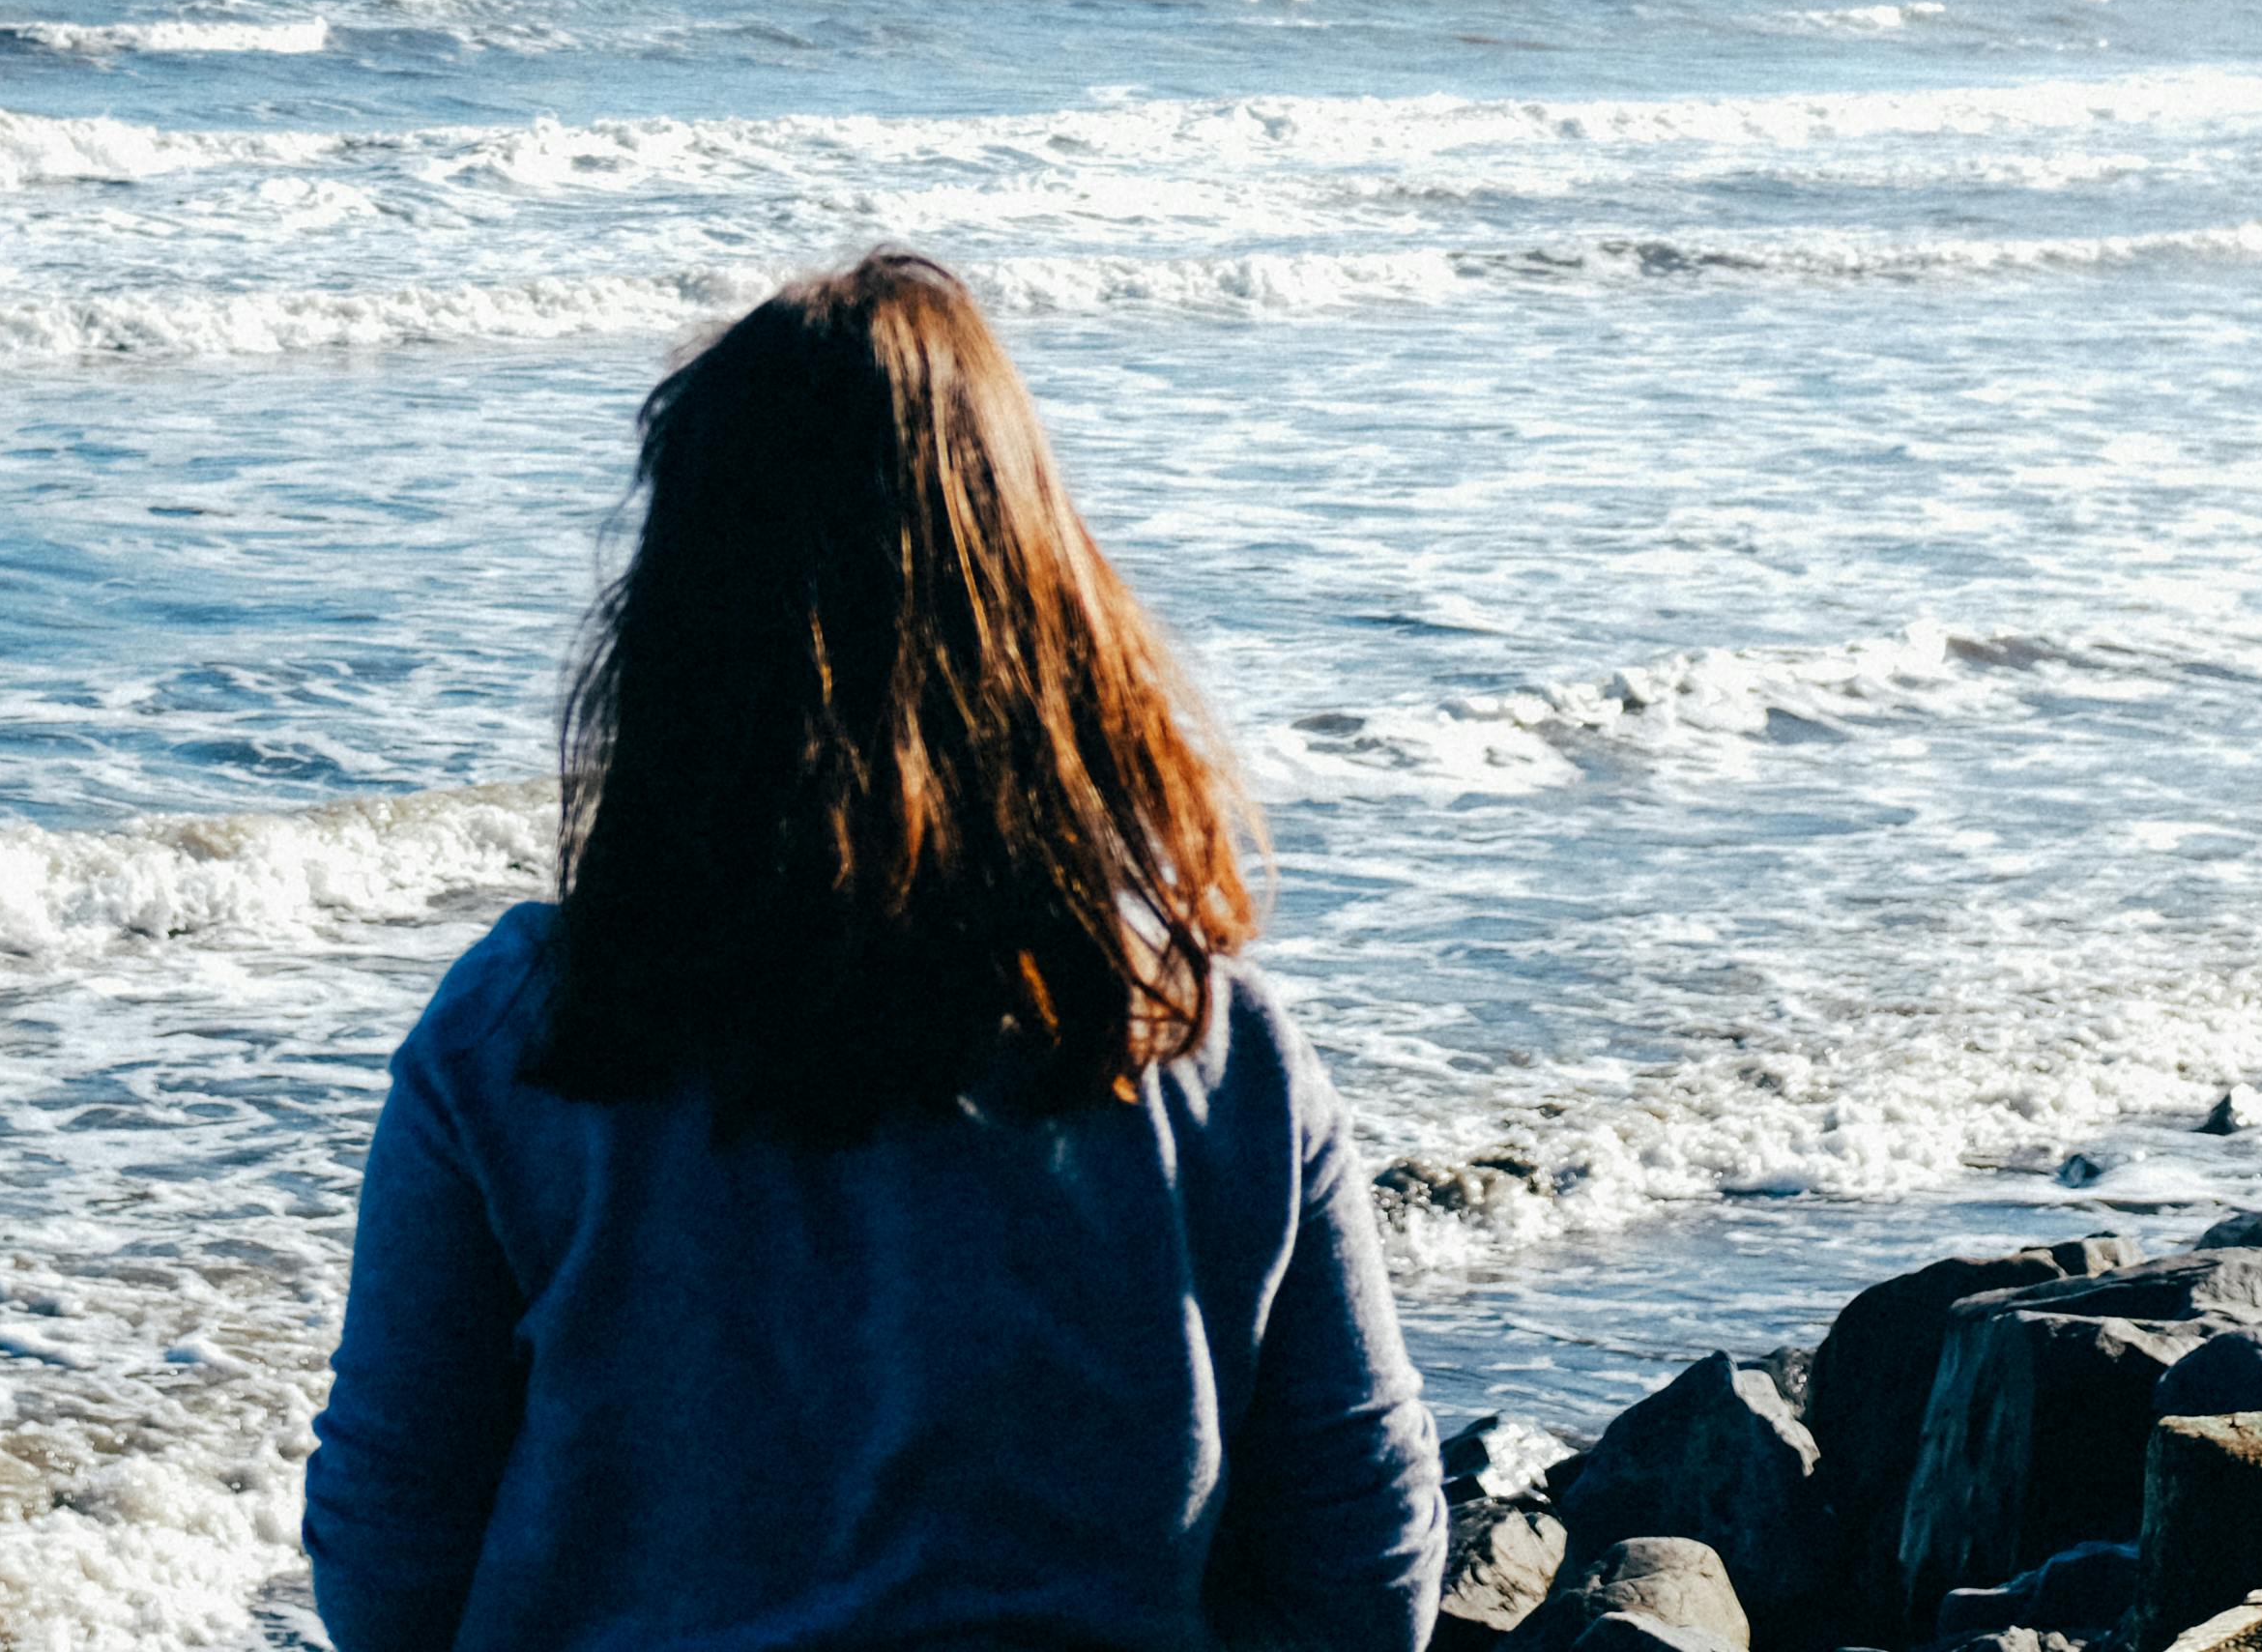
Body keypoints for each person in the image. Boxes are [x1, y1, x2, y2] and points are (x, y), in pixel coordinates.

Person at [304, 247, 1444, 1651]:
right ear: (1046, 607)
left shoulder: (529, 1031)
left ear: (673, 624)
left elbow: (386, 1552)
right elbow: (1365, 1561)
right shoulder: (1203, 1040)